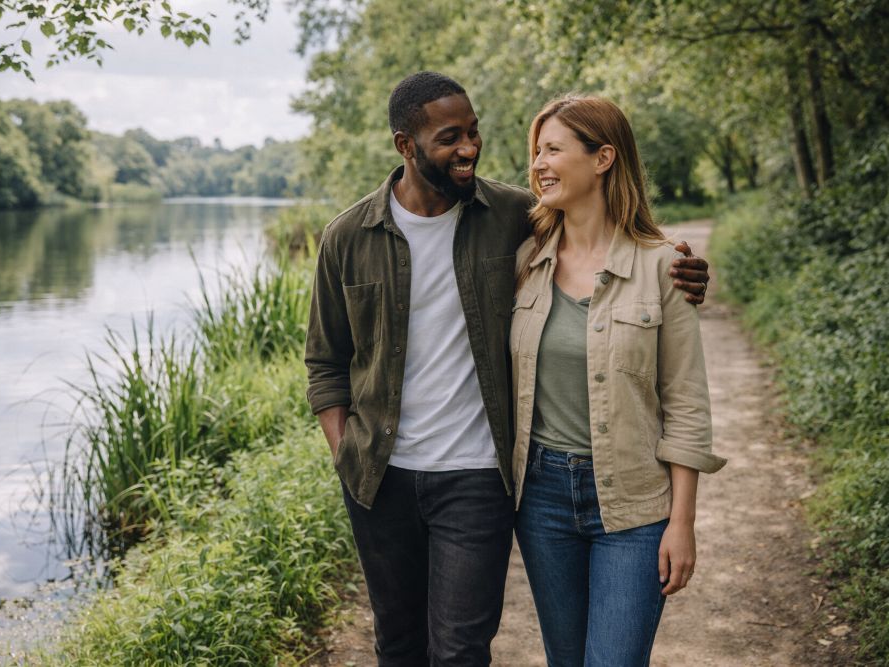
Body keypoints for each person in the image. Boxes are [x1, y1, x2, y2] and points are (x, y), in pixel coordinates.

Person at [305, 72, 711, 666]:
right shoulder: (350, 236)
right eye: (450, 137)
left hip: (480, 476)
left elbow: (608, 238)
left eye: (473, 132)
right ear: (405, 146)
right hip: (390, 477)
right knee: (398, 644)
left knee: (462, 650)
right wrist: (349, 456)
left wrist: (683, 269)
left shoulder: (510, 216)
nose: (469, 148)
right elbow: (325, 363)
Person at [509, 94, 727, 667]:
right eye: (536, 152)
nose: (538, 164)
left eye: (553, 150)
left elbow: (686, 404)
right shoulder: (524, 260)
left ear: (603, 158)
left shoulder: (663, 265)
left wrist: (683, 523)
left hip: (634, 504)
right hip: (541, 500)